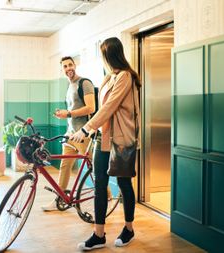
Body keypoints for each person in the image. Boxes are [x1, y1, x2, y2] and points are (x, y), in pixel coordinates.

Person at [70, 37, 140, 250]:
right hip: (103, 137)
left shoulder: (126, 77)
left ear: (110, 56)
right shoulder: (109, 77)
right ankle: (98, 234)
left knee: (123, 184)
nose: (103, 59)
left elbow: (109, 106)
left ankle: (128, 228)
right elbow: (104, 111)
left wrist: (85, 128)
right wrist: (93, 131)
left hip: (122, 141)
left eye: (103, 55)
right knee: (99, 185)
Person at [41, 56, 96, 211]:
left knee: (93, 168)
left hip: (83, 134)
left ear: (75, 65)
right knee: (65, 167)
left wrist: (69, 113)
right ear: (62, 69)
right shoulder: (69, 85)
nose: (68, 68)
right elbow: (72, 110)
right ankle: (58, 199)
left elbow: (91, 108)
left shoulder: (84, 83)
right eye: (65, 66)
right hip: (70, 134)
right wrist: (63, 114)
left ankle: (107, 197)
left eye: (70, 65)